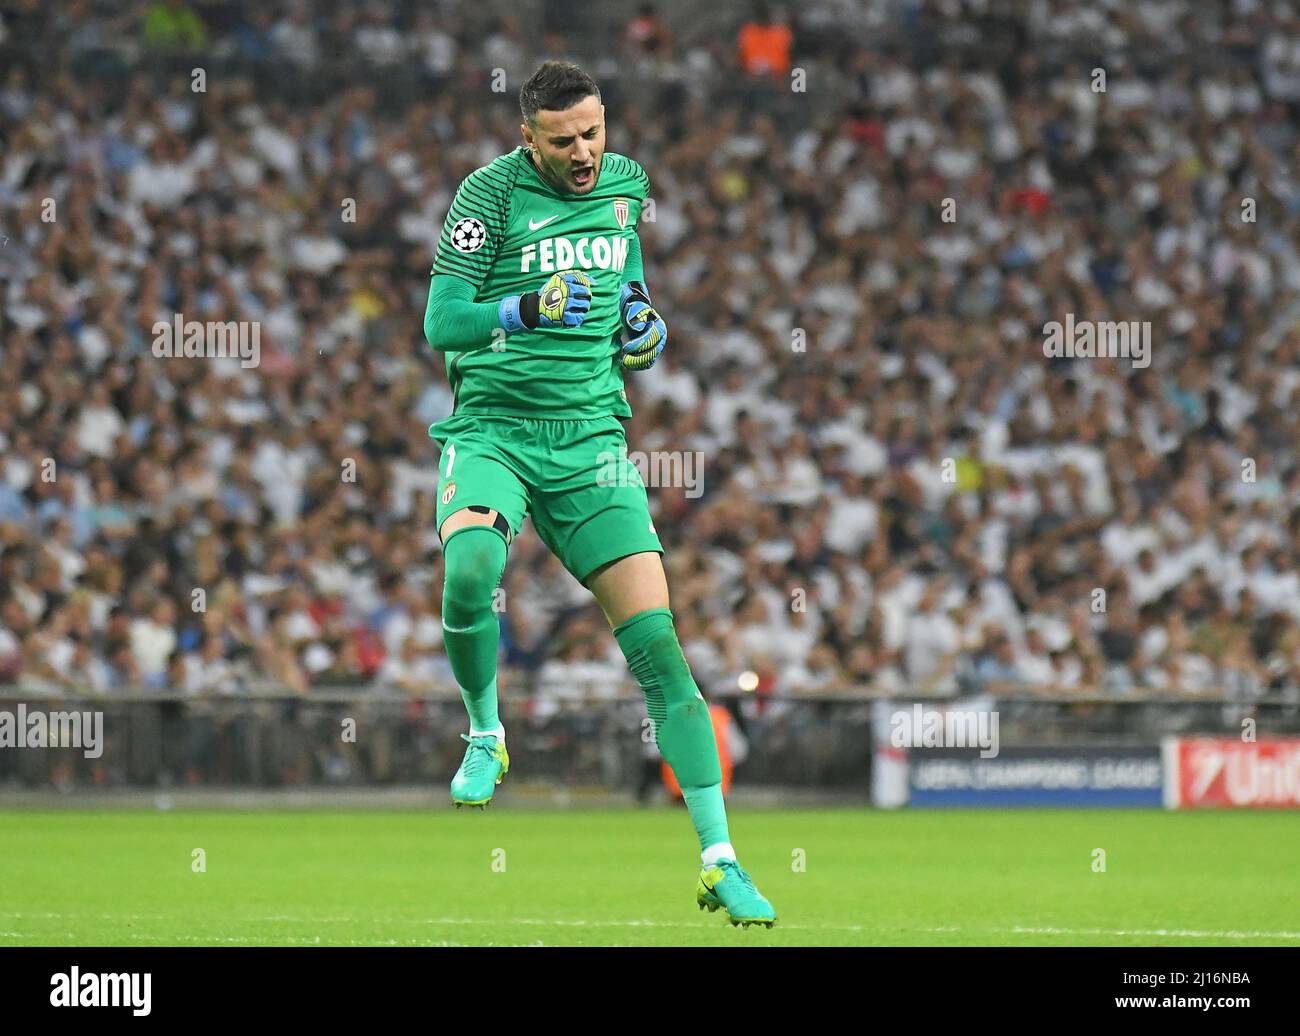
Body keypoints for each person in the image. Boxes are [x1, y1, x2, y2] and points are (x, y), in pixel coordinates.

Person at [422, 60, 776, 928]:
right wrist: (523, 311)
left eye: (594, 131)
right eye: (563, 140)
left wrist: (643, 327)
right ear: (526, 139)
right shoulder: (487, 197)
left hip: (591, 445)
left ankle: (720, 858)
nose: (584, 152)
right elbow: (441, 322)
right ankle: (485, 733)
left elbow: (628, 294)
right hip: (497, 429)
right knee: (470, 574)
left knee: (661, 649)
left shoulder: (625, 188)